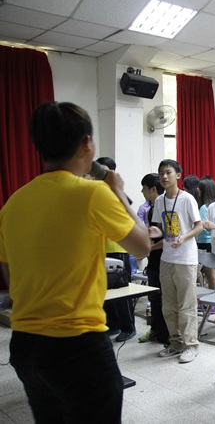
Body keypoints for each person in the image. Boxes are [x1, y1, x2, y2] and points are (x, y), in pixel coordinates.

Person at [0, 101, 150, 422]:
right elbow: (142, 247)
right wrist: (118, 191)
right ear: (87, 144)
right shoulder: (92, 193)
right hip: (77, 344)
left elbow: (10, 275)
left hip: (25, 345)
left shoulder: (13, 203)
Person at [152, 160, 203, 363]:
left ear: (178, 175)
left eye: (168, 173)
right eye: (161, 173)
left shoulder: (187, 199)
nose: (164, 177)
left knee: (186, 304)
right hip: (167, 258)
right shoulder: (159, 201)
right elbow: (162, 230)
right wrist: (154, 233)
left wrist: (184, 237)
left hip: (186, 258)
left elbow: (199, 226)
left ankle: (191, 345)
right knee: (168, 305)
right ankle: (175, 342)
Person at [97, 156, 137, 342]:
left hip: (118, 248)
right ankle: (112, 325)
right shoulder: (96, 193)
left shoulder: (117, 192)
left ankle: (128, 328)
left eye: (104, 171)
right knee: (106, 292)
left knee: (122, 291)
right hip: (101, 249)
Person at [138, 173, 170, 344]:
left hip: (166, 260)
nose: (142, 192)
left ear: (152, 189)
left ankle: (166, 334)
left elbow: (168, 239)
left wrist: (148, 249)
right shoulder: (150, 211)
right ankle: (156, 329)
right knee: (154, 298)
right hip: (154, 260)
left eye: (144, 188)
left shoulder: (166, 207)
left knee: (165, 299)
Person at [198, 177, 215, 288]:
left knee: (210, 274)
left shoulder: (204, 207)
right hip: (212, 242)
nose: (198, 191)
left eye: (199, 189)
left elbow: (202, 226)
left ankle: (212, 296)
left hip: (203, 243)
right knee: (211, 273)